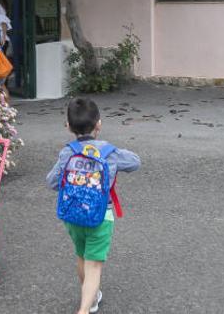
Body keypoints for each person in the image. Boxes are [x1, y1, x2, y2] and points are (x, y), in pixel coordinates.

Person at [46, 98, 140, 314]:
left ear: (68, 126)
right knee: (94, 265)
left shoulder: (67, 153)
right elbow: (135, 162)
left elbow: (51, 182)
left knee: (82, 256)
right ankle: (84, 309)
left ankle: (92, 298)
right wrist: (113, 153)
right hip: (100, 216)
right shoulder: (109, 152)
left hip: (72, 216)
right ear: (99, 123)